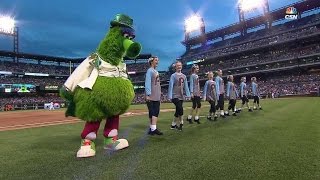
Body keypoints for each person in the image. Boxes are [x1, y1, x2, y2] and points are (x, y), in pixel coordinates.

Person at [168, 61, 191, 131]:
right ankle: (181, 123)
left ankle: (173, 125)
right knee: (180, 108)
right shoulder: (173, 76)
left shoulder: (184, 76)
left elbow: (186, 86)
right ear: (175, 67)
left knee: (178, 110)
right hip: (174, 96)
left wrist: (188, 94)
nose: (179, 66)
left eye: (180, 65)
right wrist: (169, 96)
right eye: (178, 65)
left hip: (181, 96)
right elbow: (171, 86)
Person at [145, 56, 163, 135]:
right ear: (151, 61)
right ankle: (153, 128)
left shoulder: (155, 71)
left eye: (158, 60)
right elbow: (147, 82)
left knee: (153, 112)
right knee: (154, 112)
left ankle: (152, 128)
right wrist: (148, 94)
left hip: (156, 94)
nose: (157, 62)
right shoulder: (150, 71)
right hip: (151, 95)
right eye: (156, 60)